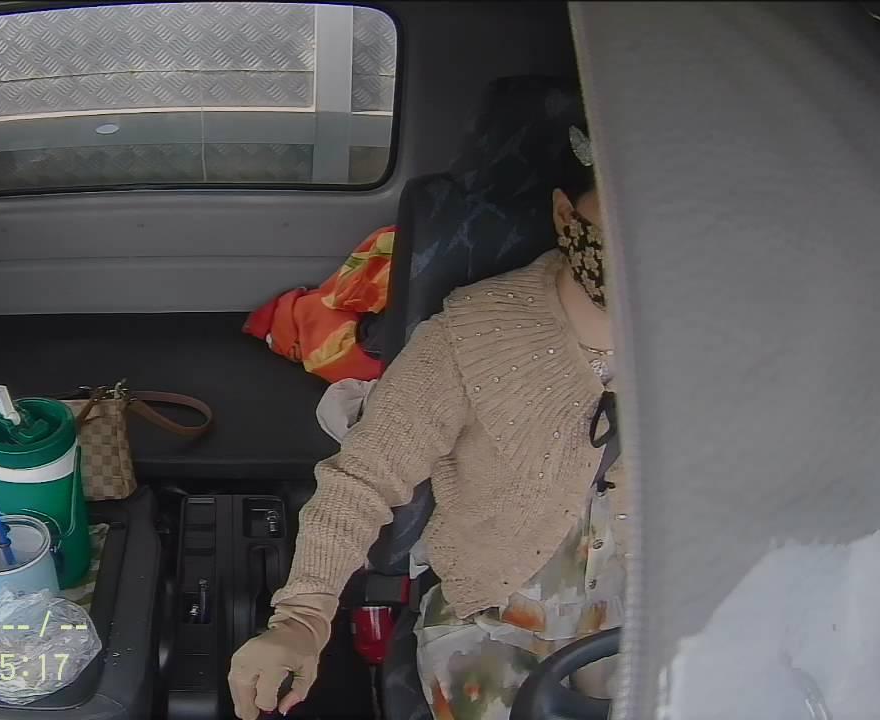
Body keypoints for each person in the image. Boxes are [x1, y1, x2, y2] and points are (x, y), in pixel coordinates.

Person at [228, 124, 627, 720]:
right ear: (566, 214)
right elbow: (362, 480)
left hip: (660, 611)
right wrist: (302, 619)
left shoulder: (714, 340)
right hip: (498, 619)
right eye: (621, 212)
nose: (644, 240)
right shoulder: (471, 333)